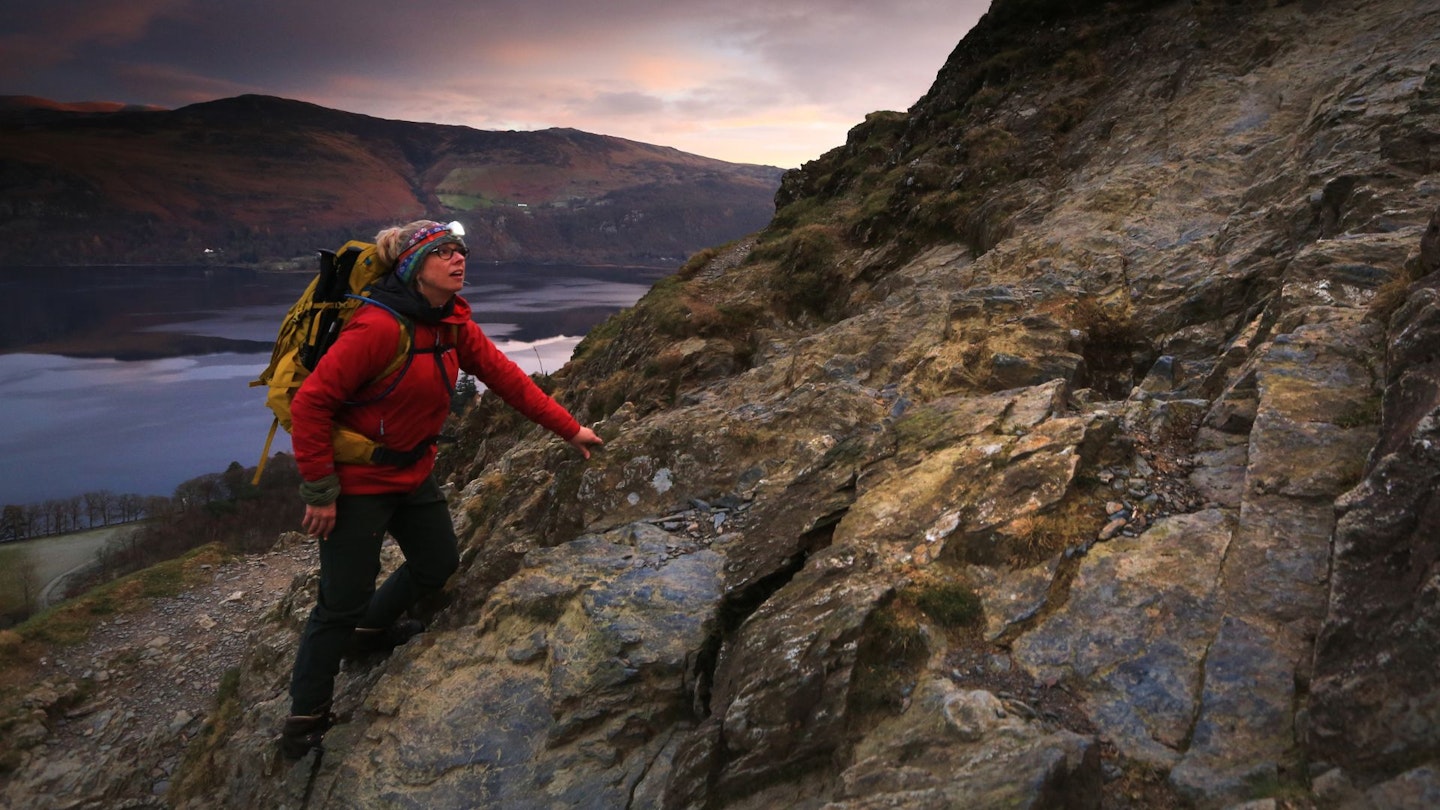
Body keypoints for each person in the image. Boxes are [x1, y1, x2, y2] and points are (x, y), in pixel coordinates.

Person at [280, 219, 602, 759]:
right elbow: (311, 403)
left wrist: (569, 429)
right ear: (414, 267)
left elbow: (507, 378)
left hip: (413, 471)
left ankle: (369, 633)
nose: (459, 260)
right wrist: (320, 489)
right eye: (444, 253)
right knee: (339, 602)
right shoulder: (377, 328)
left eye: (460, 251)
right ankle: (305, 716)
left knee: (436, 563)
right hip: (359, 483)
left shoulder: (452, 323)